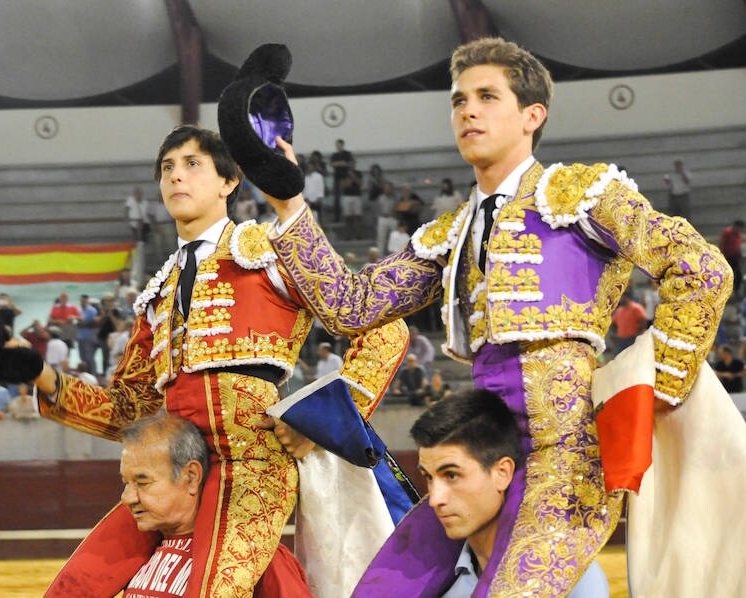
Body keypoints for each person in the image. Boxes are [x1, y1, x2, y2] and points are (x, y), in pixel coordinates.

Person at [264, 37, 731, 595]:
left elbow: (701, 268)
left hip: (567, 456)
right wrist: (289, 204)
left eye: (488, 96)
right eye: (459, 100)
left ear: (533, 115)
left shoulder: (580, 194)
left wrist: (658, 389)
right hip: (481, 451)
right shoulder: (452, 231)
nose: (468, 110)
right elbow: (350, 305)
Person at [24, 125, 406, 597]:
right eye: (167, 168)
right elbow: (129, 411)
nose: (175, 177)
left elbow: (382, 325)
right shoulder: (157, 293)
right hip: (173, 470)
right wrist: (36, 373)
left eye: (192, 164)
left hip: (253, 466)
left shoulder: (267, 255)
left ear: (229, 183)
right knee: (74, 587)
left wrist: (323, 422)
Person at [357, 389, 608, 596]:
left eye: (452, 475)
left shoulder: (569, 578)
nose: (435, 499)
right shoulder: (434, 586)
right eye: (429, 478)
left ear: (502, 473)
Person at [106, 411, 310, 598]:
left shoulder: (254, 556)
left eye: (143, 483)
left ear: (191, 476)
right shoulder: (144, 552)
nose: (128, 497)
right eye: (126, 483)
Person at [329, 139, 353, 222]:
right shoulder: (334, 155)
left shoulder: (347, 154)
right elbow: (332, 164)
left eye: (339, 145)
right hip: (337, 178)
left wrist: (339, 163)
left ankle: (348, 217)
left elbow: (349, 164)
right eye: (337, 145)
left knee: (346, 197)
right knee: (337, 198)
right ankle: (337, 217)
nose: (338, 146)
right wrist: (342, 163)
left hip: (345, 177)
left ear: (342, 145)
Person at [76, 294, 100, 376]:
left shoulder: (91, 310)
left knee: (89, 357)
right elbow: (79, 323)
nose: (82, 302)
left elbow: (84, 322)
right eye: (81, 301)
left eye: (84, 301)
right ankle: (86, 374)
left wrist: (80, 322)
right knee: (82, 357)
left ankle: (93, 374)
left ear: (87, 301)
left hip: (89, 337)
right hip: (80, 337)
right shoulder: (79, 311)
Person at [719, 219, 743, 298]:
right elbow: (722, 243)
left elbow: (737, 246)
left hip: (736, 256)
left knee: (739, 274)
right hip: (727, 256)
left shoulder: (739, 235)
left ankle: (736, 290)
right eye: (738, 228)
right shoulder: (727, 232)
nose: (738, 230)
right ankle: (726, 292)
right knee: (728, 274)